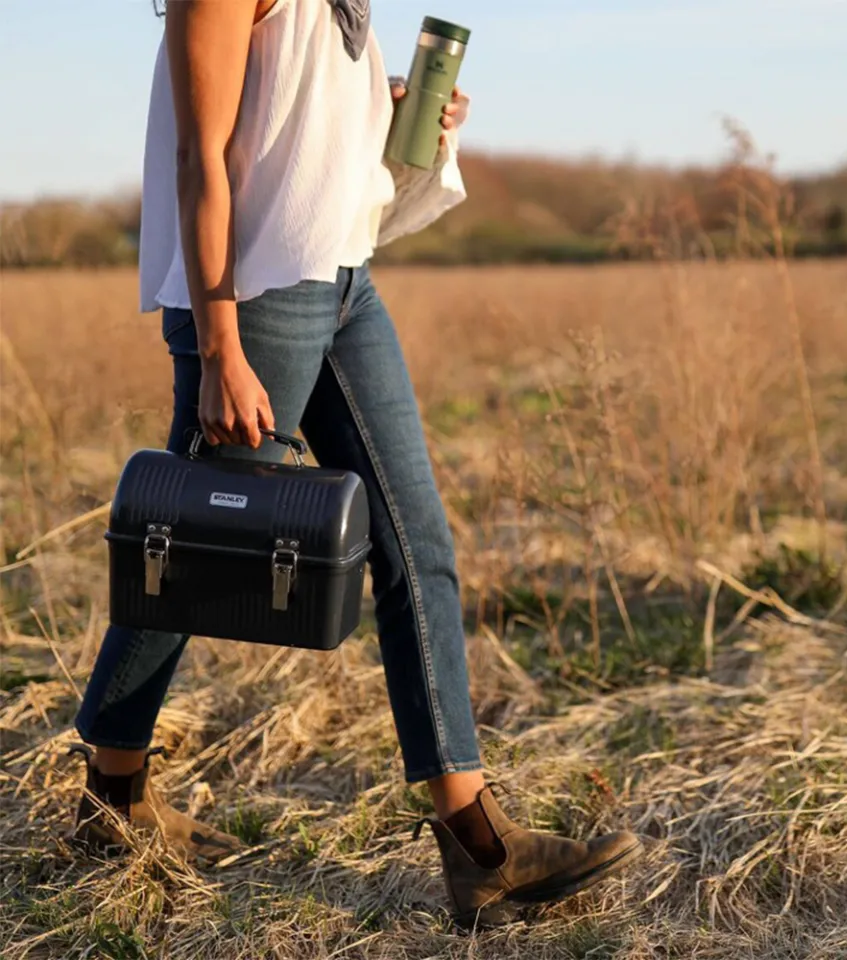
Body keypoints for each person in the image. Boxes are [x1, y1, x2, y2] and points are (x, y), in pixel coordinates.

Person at [69, 0, 640, 927]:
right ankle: (110, 793)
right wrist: (219, 348)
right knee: (191, 556)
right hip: (254, 297)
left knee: (419, 547)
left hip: (342, 280)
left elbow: (304, 128)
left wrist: (397, 108)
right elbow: (201, 155)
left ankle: (477, 841)